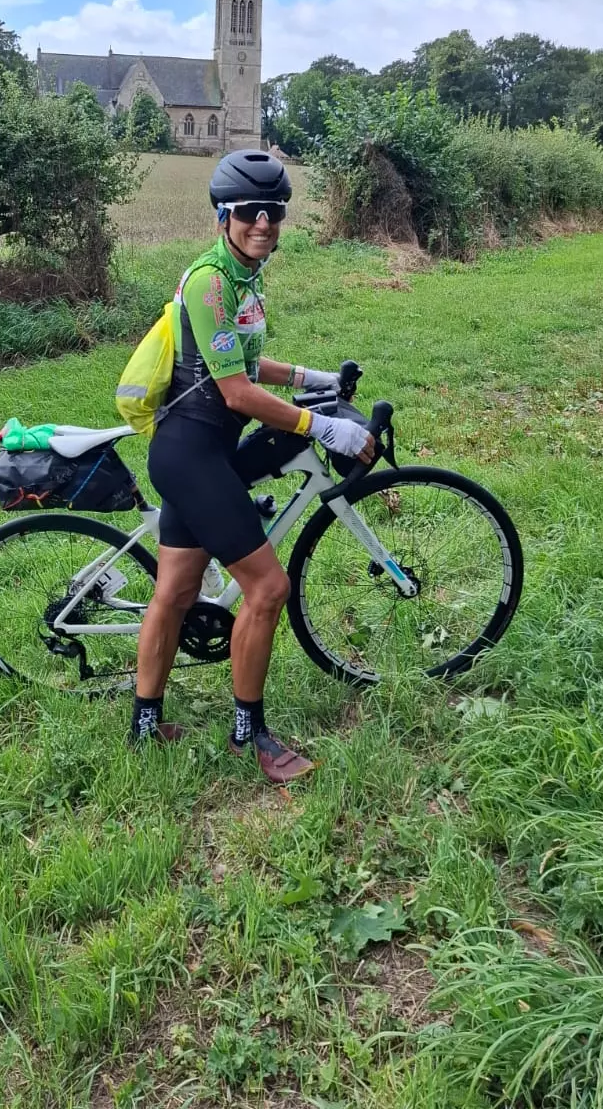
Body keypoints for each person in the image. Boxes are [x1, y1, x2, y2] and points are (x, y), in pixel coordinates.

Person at [131, 149, 375, 784]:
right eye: (249, 213)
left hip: (199, 452)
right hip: (191, 454)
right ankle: (249, 736)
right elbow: (237, 395)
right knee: (267, 588)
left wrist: (310, 378)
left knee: (178, 591)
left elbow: (242, 363)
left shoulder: (245, 276)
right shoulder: (212, 281)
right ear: (223, 217)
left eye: (274, 213)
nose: (263, 223)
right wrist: (323, 426)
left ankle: (144, 726)